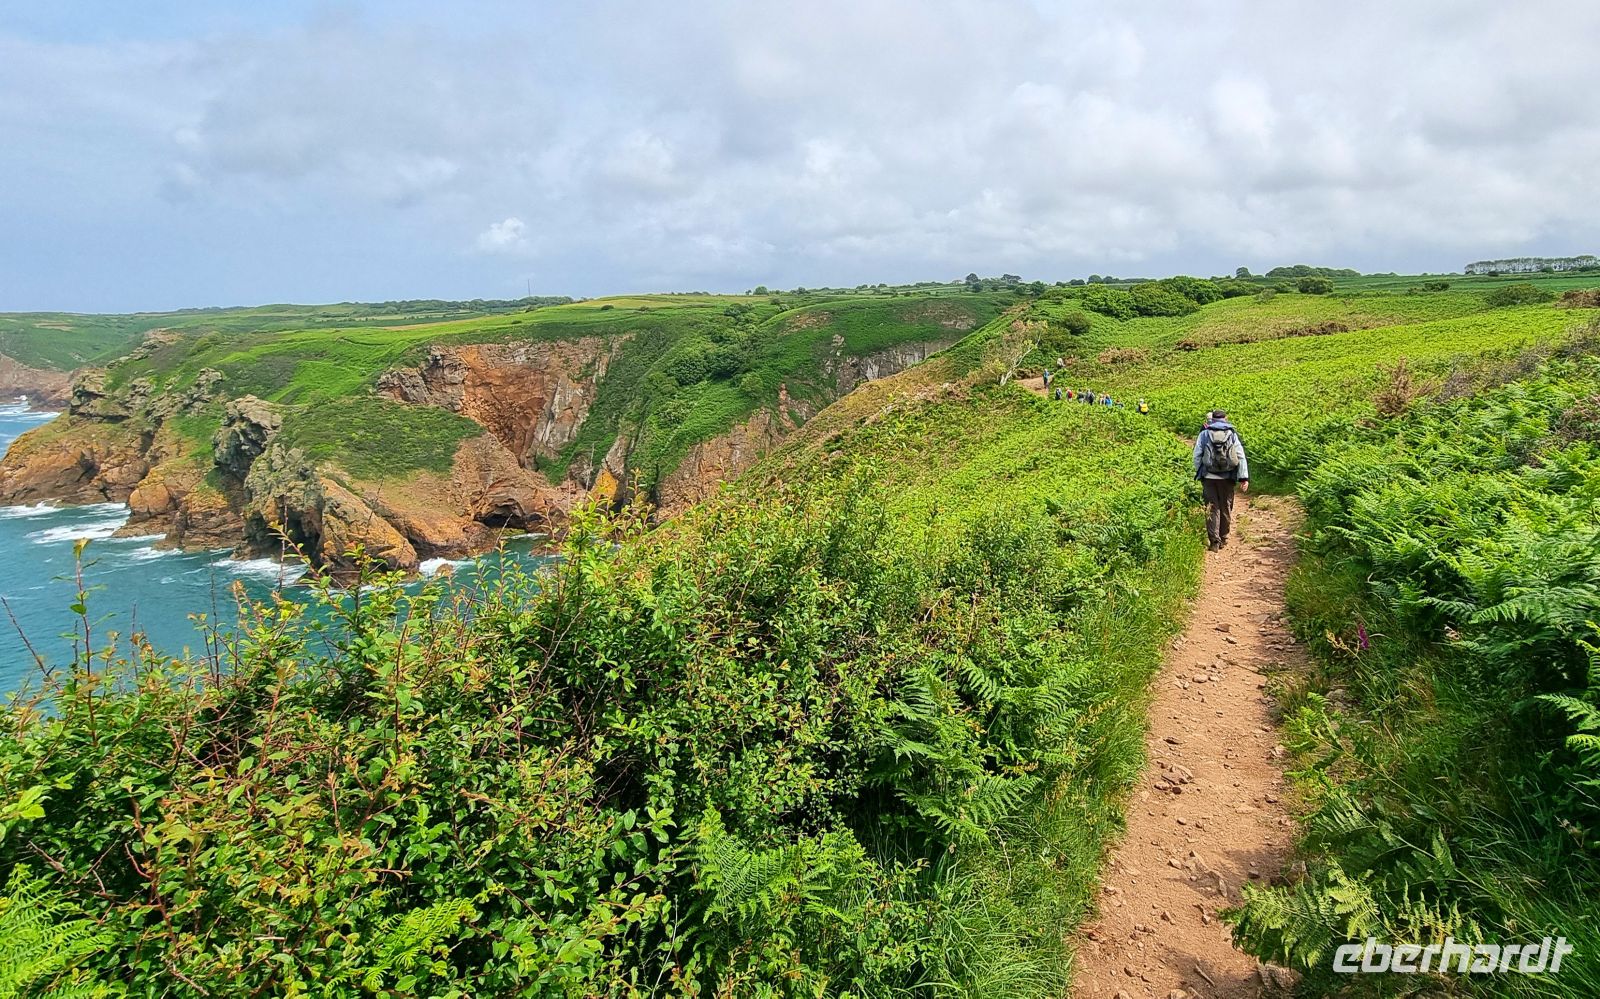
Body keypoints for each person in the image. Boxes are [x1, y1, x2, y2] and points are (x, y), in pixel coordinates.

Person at [1193, 409, 1249, 551]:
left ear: (1212, 419)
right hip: (1227, 477)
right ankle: (1224, 537)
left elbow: (1197, 455)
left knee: (1211, 507)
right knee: (1226, 506)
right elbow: (1240, 456)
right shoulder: (1231, 434)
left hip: (1209, 477)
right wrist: (1243, 477)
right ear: (1225, 418)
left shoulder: (1204, 433)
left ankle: (1214, 542)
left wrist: (1200, 472)